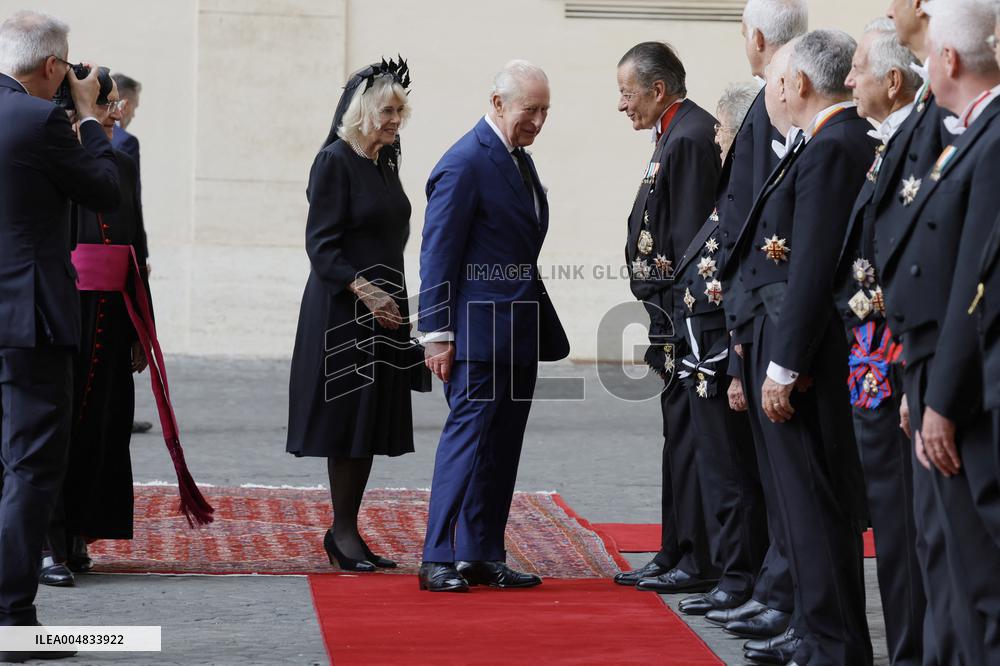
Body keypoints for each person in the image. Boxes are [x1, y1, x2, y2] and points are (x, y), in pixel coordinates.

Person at [728, 29, 876, 665]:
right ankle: (818, 634)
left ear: (802, 84)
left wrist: (785, 364)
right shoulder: (818, 143)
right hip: (789, 339)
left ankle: (833, 642)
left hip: (807, 355)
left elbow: (814, 265)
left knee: (815, 506)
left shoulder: (834, 145)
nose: (776, 90)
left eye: (782, 82)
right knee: (801, 504)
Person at [876, 1, 1000, 662]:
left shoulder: (990, 136)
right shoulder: (963, 130)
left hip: (966, 381)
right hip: (932, 365)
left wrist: (941, 396)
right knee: (945, 558)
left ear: (947, 60)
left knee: (976, 575)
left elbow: (971, 286)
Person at [417, 60, 569, 592]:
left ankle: (481, 552)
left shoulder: (517, 159)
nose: (539, 121)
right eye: (532, 110)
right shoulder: (464, 162)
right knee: (466, 441)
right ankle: (438, 554)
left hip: (517, 329)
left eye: (546, 110)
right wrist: (436, 333)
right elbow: (437, 253)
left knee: (502, 447)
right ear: (499, 102)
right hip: (476, 334)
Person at [0, 9, 120, 661]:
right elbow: (104, 189)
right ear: (53, 67)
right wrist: (92, 117)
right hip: (30, 322)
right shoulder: (41, 119)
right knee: (30, 466)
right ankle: (11, 619)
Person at [286, 58, 419, 573]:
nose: (395, 121)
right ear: (363, 110)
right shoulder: (334, 161)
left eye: (400, 113)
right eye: (388, 111)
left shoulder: (385, 162)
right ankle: (342, 534)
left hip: (383, 312)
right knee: (346, 422)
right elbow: (320, 247)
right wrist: (368, 292)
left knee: (366, 423)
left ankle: (347, 530)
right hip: (343, 309)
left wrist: (395, 301)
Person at [707, 2, 809, 650]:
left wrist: (743, 332)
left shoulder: (776, 99)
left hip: (777, 315)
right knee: (780, 479)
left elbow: (750, 229)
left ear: (758, 38)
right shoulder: (778, 97)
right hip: (768, 314)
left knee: (793, 481)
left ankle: (792, 599)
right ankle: (779, 591)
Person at [609, 41, 721, 597]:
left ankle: (695, 556)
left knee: (688, 437)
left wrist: (675, 318)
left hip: (684, 320)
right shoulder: (673, 131)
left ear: (657, 90)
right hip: (666, 316)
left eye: (627, 95)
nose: (622, 106)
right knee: (675, 436)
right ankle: (674, 547)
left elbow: (695, 240)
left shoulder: (692, 136)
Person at [836, 18, 926, 665]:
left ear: (892, 81)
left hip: (894, 367)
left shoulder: (916, 143)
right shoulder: (886, 142)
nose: (848, 78)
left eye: (859, 66)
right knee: (894, 537)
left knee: (904, 535)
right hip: (874, 366)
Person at [668, 81, 769, 620]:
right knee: (717, 474)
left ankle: (738, 576)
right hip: (699, 358)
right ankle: (732, 572)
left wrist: (732, 365)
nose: (718, 138)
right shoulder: (725, 194)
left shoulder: (742, 197)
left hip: (718, 360)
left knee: (732, 479)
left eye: (725, 131)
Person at [877, 1, 959, 661]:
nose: (887, 9)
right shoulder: (933, 102)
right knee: (929, 539)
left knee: (952, 549)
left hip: (945, 359)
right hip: (920, 355)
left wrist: (932, 382)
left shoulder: (958, 113)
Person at [110, 72, 152, 435]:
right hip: (121, 248)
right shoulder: (125, 144)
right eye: (134, 106)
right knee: (129, 325)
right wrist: (142, 254)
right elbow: (131, 205)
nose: (133, 114)